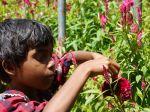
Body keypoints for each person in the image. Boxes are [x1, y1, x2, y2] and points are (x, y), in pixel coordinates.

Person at [0, 19, 120, 112]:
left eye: (49, 54)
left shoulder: (40, 84)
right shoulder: (7, 104)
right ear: (10, 67)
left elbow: (66, 59)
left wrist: (95, 57)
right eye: (41, 56)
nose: (51, 62)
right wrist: (84, 69)